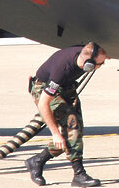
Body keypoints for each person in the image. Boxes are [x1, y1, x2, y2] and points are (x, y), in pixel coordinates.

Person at [25, 42, 108, 187]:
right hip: (43, 89)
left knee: (75, 133)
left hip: (66, 88)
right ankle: (79, 175)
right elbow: (43, 103)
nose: (102, 66)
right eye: (100, 64)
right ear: (88, 63)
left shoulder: (85, 54)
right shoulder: (62, 70)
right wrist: (55, 133)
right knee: (72, 126)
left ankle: (38, 160)